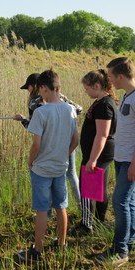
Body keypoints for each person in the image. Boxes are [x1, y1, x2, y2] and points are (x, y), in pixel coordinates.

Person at [18, 69, 79, 263]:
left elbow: (36, 145)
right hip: (61, 167)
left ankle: (37, 251)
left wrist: (30, 162)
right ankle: (61, 243)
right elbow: (75, 140)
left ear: (43, 88)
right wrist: (62, 154)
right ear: (58, 87)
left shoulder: (41, 112)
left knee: (42, 209)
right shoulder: (70, 109)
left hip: (42, 169)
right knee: (61, 206)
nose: (40, 94)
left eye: (41, 90)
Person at [14, 73, 82, 207]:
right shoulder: (61, 98)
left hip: (49, 148)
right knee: (71, 174)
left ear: (36, 87)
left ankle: (47, 211)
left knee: (45, 181)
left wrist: (22, 119)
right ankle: (80, 203)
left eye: (28, 87)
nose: (28, 91)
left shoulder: (35, 103)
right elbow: (78, 109)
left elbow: (35, 129)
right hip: (67, 144)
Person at [94, 57, 135, 265]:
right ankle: (130, 240)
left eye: (110, 76)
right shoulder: (127, 96)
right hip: (122, 158)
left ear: (120, 76)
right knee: (129, 202)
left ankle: (120, 251)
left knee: (119, 202)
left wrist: (134, 164)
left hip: (130, 161)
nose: (109, 80)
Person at [70, 69, 118, 236]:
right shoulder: (103, 101)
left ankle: (87, 224)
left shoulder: (104, 105)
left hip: (98, 154)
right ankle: (97, 221)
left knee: (88, 189)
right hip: (100, 154)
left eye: (87, 88)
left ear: (97, 86)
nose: (86, 91)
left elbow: (102, 134)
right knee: (98, 188)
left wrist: (92, 159)